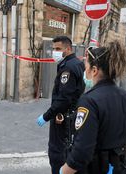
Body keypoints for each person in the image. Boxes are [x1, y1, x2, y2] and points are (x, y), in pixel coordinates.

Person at [60, 41, 126, 174]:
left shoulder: (89, 101)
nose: (85, 71)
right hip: (119, 167)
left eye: (86, 67)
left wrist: (63, 171)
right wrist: (116, 152)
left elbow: (81, 153)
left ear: (94, 70)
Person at [36, 36, 85, 174]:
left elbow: (63, 99)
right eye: (53, 49)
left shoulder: (68, 68)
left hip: (63, 118)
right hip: (72, 115)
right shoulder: (76, 63)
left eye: (58, 49)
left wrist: (46, 116)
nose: (54, 52)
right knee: (68, 148)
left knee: (58, 153)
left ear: (68, 48)